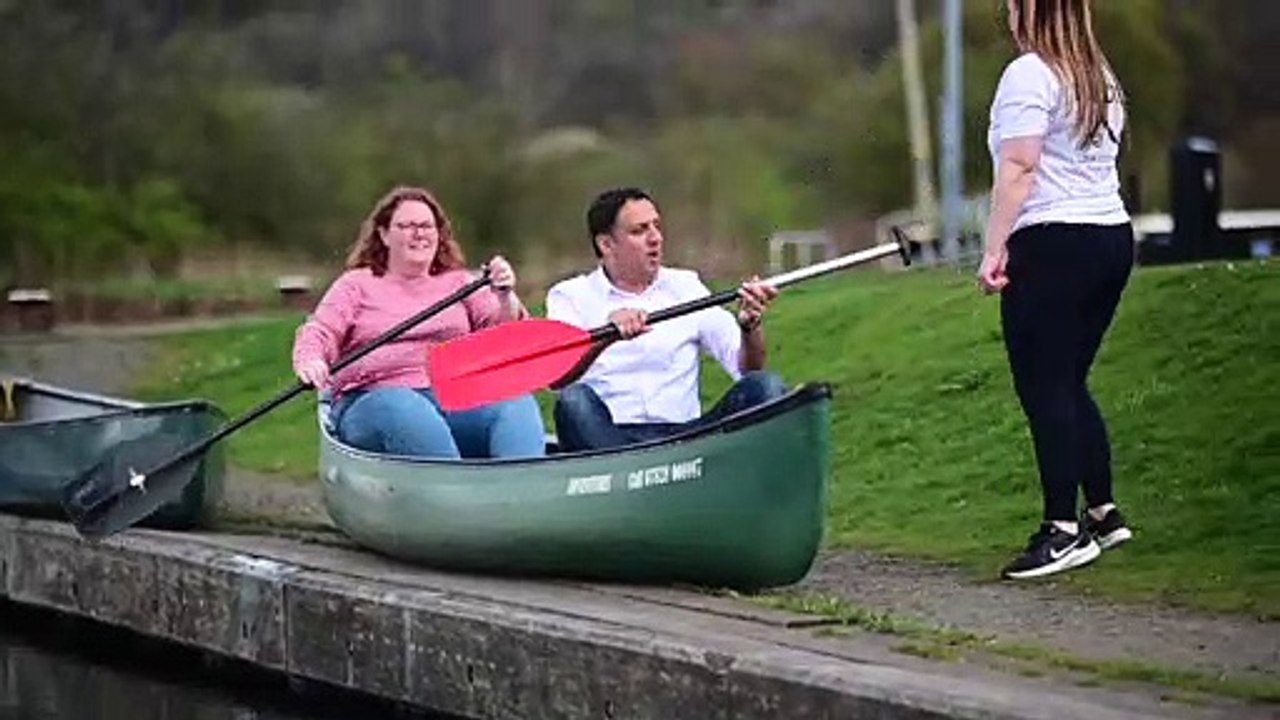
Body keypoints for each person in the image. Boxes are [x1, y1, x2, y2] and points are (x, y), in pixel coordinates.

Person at [979, 0, 1135, 580]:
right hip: (1110, 239)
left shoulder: (1029, 72)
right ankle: (1104, 511)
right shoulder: (1099, 76)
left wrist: (995, 249)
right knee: (1068, 380)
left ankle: (1062, 531)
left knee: (1044, 386)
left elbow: (1019, 167)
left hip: (1053, 242)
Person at [291, 185, 546, 459]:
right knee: (404, 406)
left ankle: (521, 493)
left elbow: (504, 336)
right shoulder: (356, 285)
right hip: (373, 401)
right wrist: (311, 360)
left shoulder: (460, 283)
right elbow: (321, 330)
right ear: (384, 235)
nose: (419, 233)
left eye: (427, 226)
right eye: (407, 225)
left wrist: (505, 295)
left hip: (452, 397)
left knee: (515, 403)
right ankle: (453, 493)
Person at [545, 187, 787, 452]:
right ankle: (623, 474)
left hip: (686, 437)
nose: (656, 238)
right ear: (606, 244)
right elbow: (557, 378)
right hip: (610, 439)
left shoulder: (686, 285)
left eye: (656, 227)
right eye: (639, 231)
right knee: (574, 401)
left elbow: (747, 370)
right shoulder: (569, 295)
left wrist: (749, 325)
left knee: (766, 386)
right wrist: (605, 338)